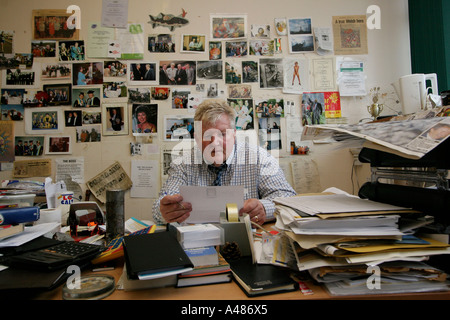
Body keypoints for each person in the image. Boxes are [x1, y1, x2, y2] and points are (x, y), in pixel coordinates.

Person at [152, 99, 296, 225]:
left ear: (234, 135)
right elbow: (160, 204)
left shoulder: (259, 158)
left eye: (222, 133)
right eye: (207, 135)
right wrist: (165, 211)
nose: (215, 142)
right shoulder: (183, 163)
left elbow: (289, 199)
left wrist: (264, 208)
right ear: (196, 138)